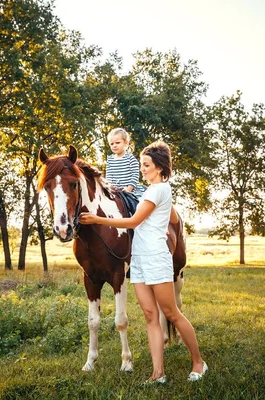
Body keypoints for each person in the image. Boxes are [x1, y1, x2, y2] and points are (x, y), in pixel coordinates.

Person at [79, 140, 207, 383]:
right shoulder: (156, 192)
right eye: (142, 165)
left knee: (171, 312)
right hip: (138, 261)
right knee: (150, 316)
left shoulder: (158, 190)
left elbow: (133, 222)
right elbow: (170, 215)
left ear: (159, 167)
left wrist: (97, 219)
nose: (142, 169)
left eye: (146, 165)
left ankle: (199, 363)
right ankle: (158, 373)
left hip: (156, 258)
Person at [105, 128, 145, 199]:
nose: (114, 145)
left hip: (131, 191)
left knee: (138, 205)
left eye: (117, 143)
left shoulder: (130, 158)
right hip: (115, 191)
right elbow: (109, 177)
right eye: (112, 144)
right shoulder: (110, 160)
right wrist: (110, 187)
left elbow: (135, 175)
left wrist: (129, 188)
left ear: (126, 143)